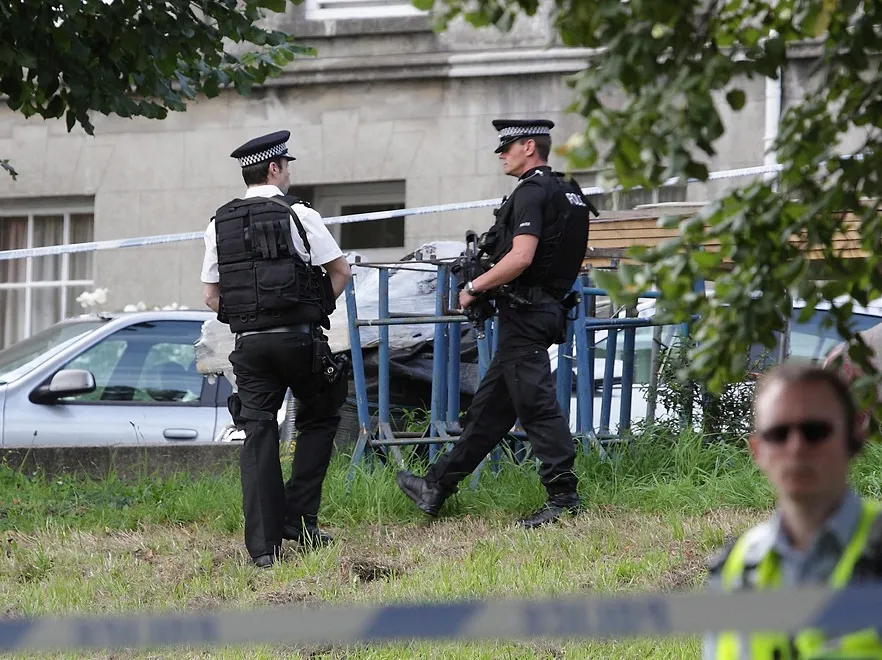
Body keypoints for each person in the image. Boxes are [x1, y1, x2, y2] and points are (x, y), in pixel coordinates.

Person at [396, 118, 598, 528]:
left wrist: (474, 286)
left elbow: (521, 257)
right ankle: (436, 486)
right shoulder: (569, 191)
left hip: (525, 314)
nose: (501, 155)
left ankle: (563, 498)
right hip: (547, 308)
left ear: (529, 147)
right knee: (489, 411)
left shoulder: (531, 192)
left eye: (507, 147)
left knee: (537, 406)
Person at [200, 130, 352, 568]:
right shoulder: (300, 213)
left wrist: (249, 318)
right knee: (321, 416)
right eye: (286, 166)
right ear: (274, 167)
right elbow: (340, 271)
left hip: (249, 347)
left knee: (258, 432)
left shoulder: (218, 223)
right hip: (299, 340)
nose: (288, 174)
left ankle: (264, 549)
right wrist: (316, 309)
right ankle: (299, 520)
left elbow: (211, 295)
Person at [703, 363, 882, 659]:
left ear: (853, 439)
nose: (796, 447)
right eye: (778, 434)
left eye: (815, 431)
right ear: (757, 451)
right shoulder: (734, 568)